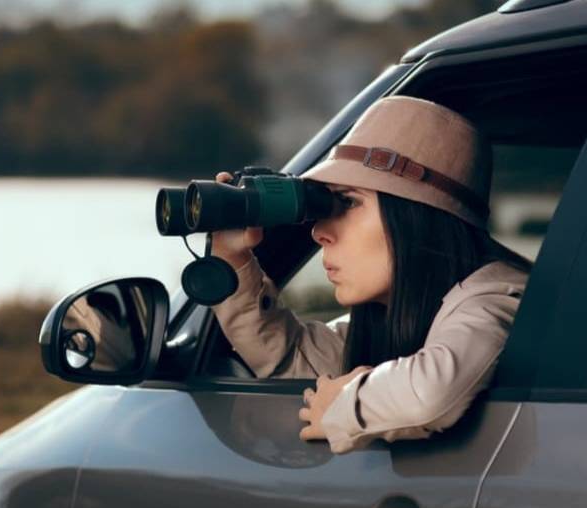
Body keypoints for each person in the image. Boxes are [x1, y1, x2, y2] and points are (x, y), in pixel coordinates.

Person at [210, 96, 532, 454]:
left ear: (416, 216)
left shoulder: (497, 298)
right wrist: (232, 257)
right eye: (324, 204)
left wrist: (344, 404)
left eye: (347, 202)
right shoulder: (397, 313)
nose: (318, 233)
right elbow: (291, 361)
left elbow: (431, 393)